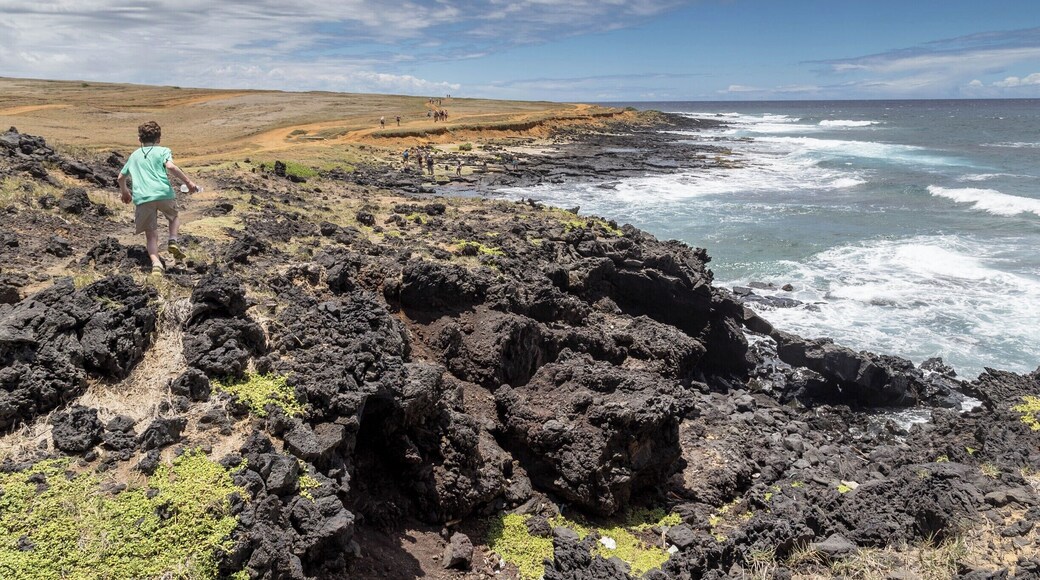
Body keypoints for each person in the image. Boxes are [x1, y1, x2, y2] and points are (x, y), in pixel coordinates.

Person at [117, 121, 197, 274]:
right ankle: (173, 239)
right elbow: (171, 167)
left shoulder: (134, 155)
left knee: (151, 234)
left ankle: (156, 265)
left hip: (143, 198)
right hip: (163, 193)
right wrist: (189, 182)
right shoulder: (163, 150)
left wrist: (125, 193)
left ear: (139, 139)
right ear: (159, 139)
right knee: (173, 217)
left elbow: (120, 177)